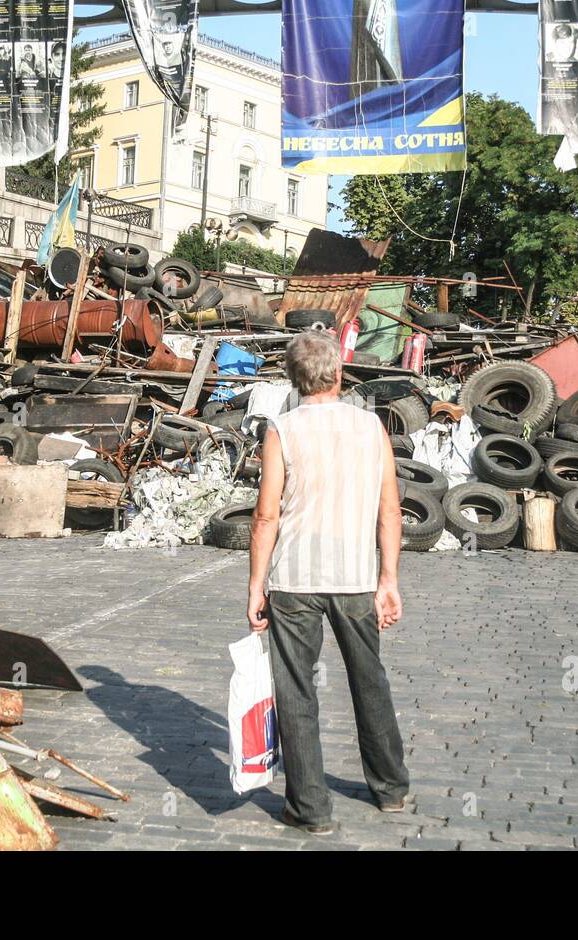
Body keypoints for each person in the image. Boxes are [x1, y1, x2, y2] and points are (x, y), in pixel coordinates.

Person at [247, 332, 410, 837]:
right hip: (355, 577)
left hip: (295, 578)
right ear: (339, 373)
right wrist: (388, 579)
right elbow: (389, 510)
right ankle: (391, 788)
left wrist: (256, 585)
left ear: (294, 381)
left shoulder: (281, 429)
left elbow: (266, 514)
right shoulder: (371, 427)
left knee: (296, 690)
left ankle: (310, 809)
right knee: (370, 679)